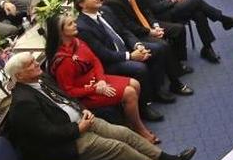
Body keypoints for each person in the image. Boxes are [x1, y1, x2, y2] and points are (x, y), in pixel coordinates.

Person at [3, 52, 195, 160]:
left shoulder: (40, 79)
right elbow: (47, 134)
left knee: (125, 133)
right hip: (65, 142)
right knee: (117, 148)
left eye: (34, 61)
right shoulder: (23, 103)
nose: (37, 64)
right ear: (19, 76)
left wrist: (83, 109)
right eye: (31, 64)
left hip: (81, 121)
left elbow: (67, 98)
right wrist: (78, 128)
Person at [45, 14, 157, 143]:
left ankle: (129, 123)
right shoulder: (62, 60)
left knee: (135, 84)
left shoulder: (77, 41)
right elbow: (69, 91)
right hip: (85, 94)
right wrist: (95, 89)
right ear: (61, 32)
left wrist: (102, 80)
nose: (75, 24)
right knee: (129, 92)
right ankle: (139, 130)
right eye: (70, 24)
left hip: (97, 80)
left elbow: (95, 60)